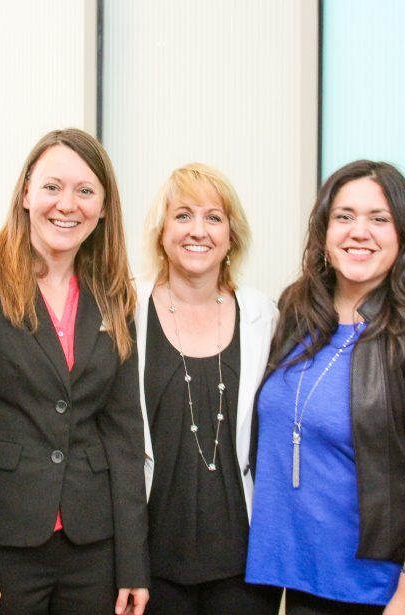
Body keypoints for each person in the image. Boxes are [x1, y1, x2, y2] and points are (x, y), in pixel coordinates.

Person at [246, 160, 405, 615]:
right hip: (298, 576)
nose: (359, 231)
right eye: (344, 216)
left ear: (404, 236)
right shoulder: (296, 311)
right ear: (324, 232)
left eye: (379, 219)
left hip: (379, 590)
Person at [0, 128, 149, 615]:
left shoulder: (114, 296)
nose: (67, 204)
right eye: (53, 186)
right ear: (26, 192)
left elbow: (123, 434)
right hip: (7, 543)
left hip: (93, 543)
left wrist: (133, 563)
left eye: (85, 191)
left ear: (102, 208)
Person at [135, 163, 281, 614]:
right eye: (182, 215)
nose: (198, 230)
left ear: (231, 236)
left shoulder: (264, 316)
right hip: (151, 559)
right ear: (161, 232)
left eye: (214, 217)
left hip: (243, 561)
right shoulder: (126, 309)